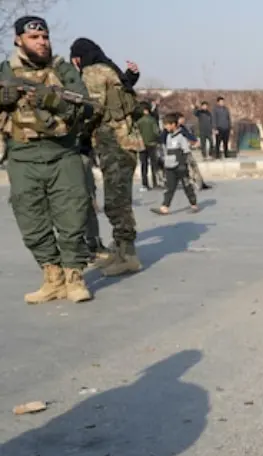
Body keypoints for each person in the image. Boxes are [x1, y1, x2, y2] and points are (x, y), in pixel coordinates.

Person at [0, 16, 94, 303]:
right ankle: (52, 277)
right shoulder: (6, 69)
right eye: (34, 38)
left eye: (45, 37)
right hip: (22, 154)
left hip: (62, 152)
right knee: (30, 217)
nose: (42, 42)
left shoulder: (62, 69)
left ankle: (74, 276)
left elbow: (85, 107)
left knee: (72, 214)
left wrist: (49, 99)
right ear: (19, 40)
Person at [70, 37, 144, 277]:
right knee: (118, 197)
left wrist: (76, 132)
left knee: (116, 201)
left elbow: (92, 108)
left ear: (77, 58)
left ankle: (128, 255)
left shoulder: (92, 72)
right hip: (125, 142)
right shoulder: (110, 70)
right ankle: (120, 250)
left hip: (114, 142)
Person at [151, 113, 199, 215]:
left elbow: (186, 151)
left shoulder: (181, 136)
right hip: (169, 165)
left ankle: (193, 204)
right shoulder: (168, 136)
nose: (165, 127)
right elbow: (165, 148)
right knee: (170, 187)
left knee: (187, 185)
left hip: (180, 165)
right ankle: (164, 207)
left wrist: (186, 164)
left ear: (173, 124)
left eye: (167, 125)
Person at [137, 101, 160, 191]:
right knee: (154, 165)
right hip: (152, 144)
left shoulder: (139, 121)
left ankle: (145, 184)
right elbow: (156, 132)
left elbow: (137, 132)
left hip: (142, 145)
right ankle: (155, 182)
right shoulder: (152, 120)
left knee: (144, 165)